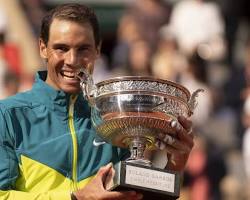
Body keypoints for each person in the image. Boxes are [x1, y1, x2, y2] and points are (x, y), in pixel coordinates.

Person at [0, 3, 194, 200]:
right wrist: (76, 197)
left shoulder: (114, 118)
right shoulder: (8, 115)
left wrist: (174, 167)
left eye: (83, 49)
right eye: (61, 48)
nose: (72, 60)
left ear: (97, 50)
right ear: (43, 48)